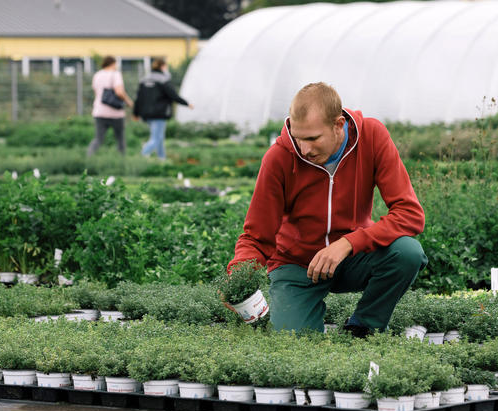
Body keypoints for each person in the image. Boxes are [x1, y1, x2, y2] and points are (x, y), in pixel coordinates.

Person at [227, 82, 427, 337]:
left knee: (407, 253)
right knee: (292, 346)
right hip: (297, 264)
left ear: (338, 125)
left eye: (313, 139)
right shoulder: (278, 158)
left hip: (352, 258)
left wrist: (347, 243)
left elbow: (410, 214)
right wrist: (238, 276)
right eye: (299, 139)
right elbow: (256, 236)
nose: (305, 149)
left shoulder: (373, 137)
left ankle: (364, 327)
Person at [133, 58, 194, 160]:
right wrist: (187, 104)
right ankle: (141, 157)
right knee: (156, 139)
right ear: (162, 67)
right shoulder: (163, 80)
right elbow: (173, 96)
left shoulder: (144, 80)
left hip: (146, 114)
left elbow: (138, 98)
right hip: (159, 113)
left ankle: (162, 159)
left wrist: (136, 113)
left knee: (159, 138)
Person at [87, 56, 134, 156]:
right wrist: (129, 102)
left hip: (99, 111)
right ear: (113, 63)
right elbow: (119, 92)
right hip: (115, 113)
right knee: (120, 139)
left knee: (98, 139)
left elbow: (96, 92)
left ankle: (89, 158)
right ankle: (122, 162)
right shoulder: (115, 74)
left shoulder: (97, 75)